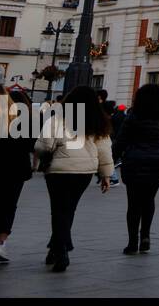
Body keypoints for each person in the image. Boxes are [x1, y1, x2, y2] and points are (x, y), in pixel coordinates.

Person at [36, 86, 114, 272]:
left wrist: (44, 155)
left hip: (59, 170)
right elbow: (104, 150)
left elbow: (43, 146)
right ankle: (56, 248)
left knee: (58, 209)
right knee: (69, 209)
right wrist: (106, 175)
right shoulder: (98, 122)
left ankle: (62, 249)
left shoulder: (57, 119)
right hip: (84, 171)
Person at [114, 83, 159, 255]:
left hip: (135, 160)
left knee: (134, 203)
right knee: (149, 199)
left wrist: (110, 160)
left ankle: (132, 242)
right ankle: (146, 236)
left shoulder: (134, 115)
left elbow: (121, 140)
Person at [0, 68, 35, 269]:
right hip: (15, 168)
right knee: (8, 205)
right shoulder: (17, 112)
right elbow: (30, 142)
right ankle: (1, 243)